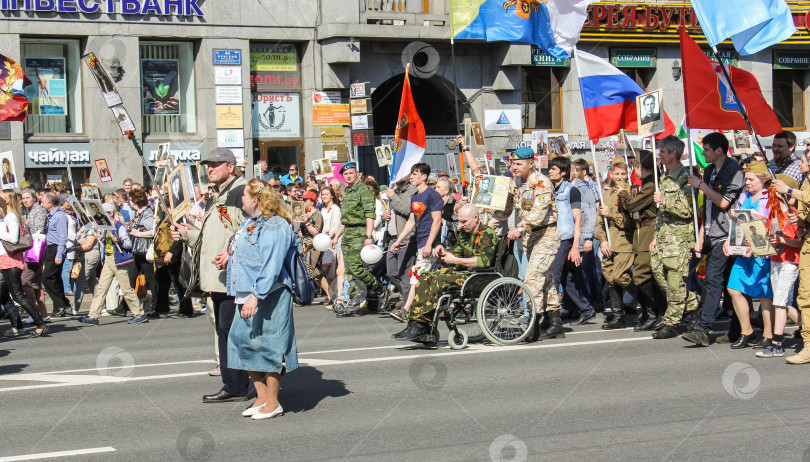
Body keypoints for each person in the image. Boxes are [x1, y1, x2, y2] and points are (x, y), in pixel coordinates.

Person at [172, 147, 250, 403]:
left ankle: (237, 385)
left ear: (230, 166)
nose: (210, 168)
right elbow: (211, 237)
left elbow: (253, 230)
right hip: (218, 277)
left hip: (236, 274)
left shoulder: (242, 191)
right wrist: (189, 235)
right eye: (208, 164)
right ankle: (237, 382)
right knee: (226, 330)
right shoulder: (216, 195)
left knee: (231, 331)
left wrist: (231, 251)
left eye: (216, 164)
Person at [226, 179, 298, 420]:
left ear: (256, 200)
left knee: (268, 347)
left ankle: (274, 402)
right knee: (242, 343)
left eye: (244, 197)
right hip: (246, 293)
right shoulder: (250, 221)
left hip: (269, 294)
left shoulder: (276, 225)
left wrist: (255, 297)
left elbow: (272, 265)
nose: (241, 201)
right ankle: (261, 396)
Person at [393, 204, 497, 341]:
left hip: (477, 276)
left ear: (476, 218)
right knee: (425, 277)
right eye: (460, 221)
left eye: (464, 221)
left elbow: (484, 261)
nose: (461, 224)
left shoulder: (487, 234)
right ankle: (418, 324)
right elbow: (455, 254)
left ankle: (420, 325)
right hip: (462, 273)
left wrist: (456, 260)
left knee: (438, 281)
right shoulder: (464, 233)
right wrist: (443, 251)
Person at [487, 147, 561, 341]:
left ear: (531, 163)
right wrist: (487, 228)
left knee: (532, 278)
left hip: (546, 234)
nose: (514, 167)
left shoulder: (542, 183)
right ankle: (555, 322)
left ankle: (533, 326)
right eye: (512, 163)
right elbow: (505, 210)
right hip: (530, 237)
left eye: (519, 164)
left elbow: (539, 213)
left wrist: (518, 229)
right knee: (546, 278)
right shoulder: (515, 182)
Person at [683, 132, 745, 347]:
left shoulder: (733, 170)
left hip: (729, 235)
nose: (703, 153)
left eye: (707, 149)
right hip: (711, 232)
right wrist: (701, 234)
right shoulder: (709, 170)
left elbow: (723, 203)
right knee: (730, 284)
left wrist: (701, 185)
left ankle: (703, 329)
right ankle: (740, 329)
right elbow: (706, 205)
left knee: (712, 280)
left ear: (719, 150)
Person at [650, 135, 698, 339]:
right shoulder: (664, 176)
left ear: (673, 154)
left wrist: (666, 202)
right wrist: (655, 236)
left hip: (679, 238)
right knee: (660, 275)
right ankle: (694, 303)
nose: (659, 154)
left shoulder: (685, 177)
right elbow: (661, 214)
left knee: (675, 279)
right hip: (663, 237)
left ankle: (672, 323)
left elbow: (689, 210)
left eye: (662, 151)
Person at [722, 161, 773, 349]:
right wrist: (729, 241)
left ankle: (768, 334)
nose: (748, 183)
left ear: (763, 180)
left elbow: (772, 223)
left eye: (751, 179)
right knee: (734, 288)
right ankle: (747, 331)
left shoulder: (769, 197)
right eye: (746, 179)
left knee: (765, 295)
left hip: (761, 250)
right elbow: (737, 221)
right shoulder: (745, 196)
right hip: (743, 251)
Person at [78, 202, 148, 325]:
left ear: (110, 213)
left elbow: (128, 244)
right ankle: (93, 315)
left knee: (126, 289)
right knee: (101, 288)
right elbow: (108, 244)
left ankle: (139, 313)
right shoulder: (106, 227)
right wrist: (102, 238)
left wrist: (119, 240)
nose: (100, 217)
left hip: (119, 261)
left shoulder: (119, 226)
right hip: (109, 259)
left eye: (103, 214)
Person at [618, 150, 665, 331]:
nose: (633, 169)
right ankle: (652, 313)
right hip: (642, 229)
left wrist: (623, 194)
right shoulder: (645, 183)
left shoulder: (651, 184)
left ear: (640, 166)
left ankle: (660, 309)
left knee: (642, 274)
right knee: (645, 274)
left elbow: (632, 204)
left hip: (650, 230)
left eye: (635, 165)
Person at [389, 163, 443, 319]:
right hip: (420, 242)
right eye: (411, 174)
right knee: (430, 279)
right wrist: (398, 241)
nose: (411, 177)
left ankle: (405, 310)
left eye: (415, 173)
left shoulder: (432, 195)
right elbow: (411, 221)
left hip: (429, 243)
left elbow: (437, 221)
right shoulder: (415, 197)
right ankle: (448, 306)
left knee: (416, 276)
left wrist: (429, 244)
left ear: (424, 176)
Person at [548, 157, 595, 325]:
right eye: (550, 168)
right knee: (567, 277)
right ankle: (585, 309)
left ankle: (550, 317)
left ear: (563, 172)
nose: (550, 171)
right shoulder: (551, 189)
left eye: (554, 169)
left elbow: (579, 219)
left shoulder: (572, 190)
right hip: (553, 238)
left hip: (565, 239)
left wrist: (575, 247)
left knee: (554, 276)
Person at [330, 163, 382, 317]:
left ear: (357, 173)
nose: (348, 176)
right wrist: (336, 236)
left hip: (359, 232)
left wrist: (368, 236)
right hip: (348, 233)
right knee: (350, 271)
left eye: (351, 173)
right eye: (345, 174)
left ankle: (378, 289)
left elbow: (369, 215)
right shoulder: (347, 191)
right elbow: (344, 219)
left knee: (356, 268)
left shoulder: (364, 190)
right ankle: (355, 301)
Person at [0, 190, 48, 337]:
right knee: (3, 296)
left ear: (7, 200)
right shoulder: (7, 217)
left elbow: (13, 239)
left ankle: (40, 323)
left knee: (18, 296)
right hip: (4, 261)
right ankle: (17, 326)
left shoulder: (11, 217)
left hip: (11, 261)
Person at [594, 158, 635, 329]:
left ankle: (651, 304)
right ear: (611, 174)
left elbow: (632, 221)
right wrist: (602, 240)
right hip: (609, 243)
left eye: (623, 174)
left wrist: (611, 214)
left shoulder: (631, 194)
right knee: (610, 278)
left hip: (625, 241)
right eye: (616, 174)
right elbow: (599, 224)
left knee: (620, 276)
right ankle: (619, 316)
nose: (620, 177)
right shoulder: (605, 196)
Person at [384, 177, 417, 322]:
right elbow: (394, 212)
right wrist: (386, 215)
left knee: (405, 275)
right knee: (391, 272)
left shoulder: (413, 191)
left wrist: (393, 197)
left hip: (405, 238)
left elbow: (408, 210)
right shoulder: (395, 191)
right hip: (392, 237)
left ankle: (406, 309)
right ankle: (411, 298)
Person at [126, 187, 159, 317]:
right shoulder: (138, 213)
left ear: (136, 200)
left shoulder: (146, 214)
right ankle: (123, 306)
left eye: (130, 199)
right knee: (131, 279)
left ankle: (155, 307)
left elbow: (153, 231)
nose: (129, 202)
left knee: (151, 279)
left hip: (144, 250)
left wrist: (138, 233)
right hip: (137, 251)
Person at [41, 192, 73, 317]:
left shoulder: (60, 216)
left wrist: (59, 255)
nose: (41, 204)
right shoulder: (50, 215)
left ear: (50, 203)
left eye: (43, 202)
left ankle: (61, 304)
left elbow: (62, 237)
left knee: (47, 277)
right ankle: (62, 305)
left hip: (56, 249)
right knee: (55, 278)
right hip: (50, 248)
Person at [20, 189, 48, 321]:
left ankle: (34, 312)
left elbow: (38, 229)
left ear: (34, 198)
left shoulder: (39, 210)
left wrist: (24, 222)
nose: (25, 200)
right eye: (23, 198)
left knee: (24, 281)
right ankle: (44, 314)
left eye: (27, 198)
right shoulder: (30, 211)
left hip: (36, 250)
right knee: (36, 284)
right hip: (33, 250)